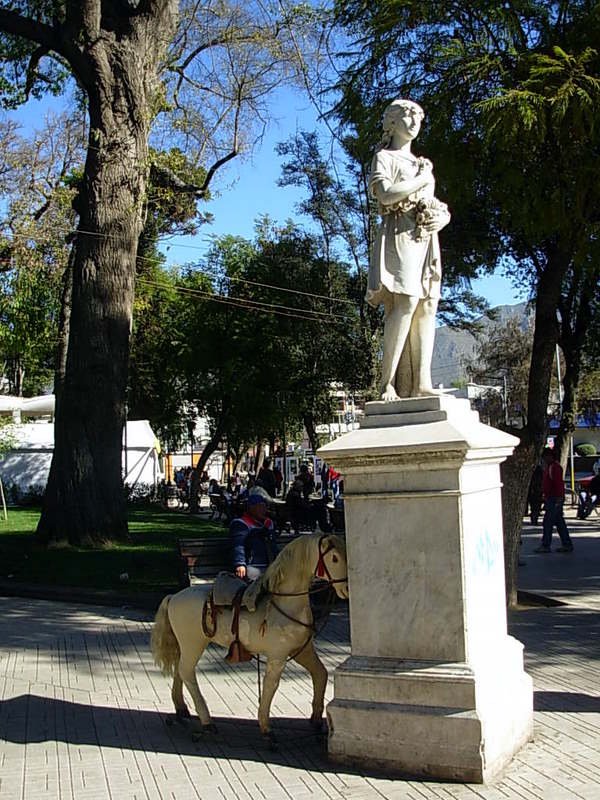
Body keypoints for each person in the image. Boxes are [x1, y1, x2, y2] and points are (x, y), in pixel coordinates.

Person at [367, 99, 451, 401]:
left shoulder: (421, 164)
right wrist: (421, 179)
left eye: (418, 117)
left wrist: (442, 216)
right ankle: (387, 383)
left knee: (428, 304)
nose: (414, 122)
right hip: (399, 235)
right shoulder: (385, 158)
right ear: (391, 122)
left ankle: (421, 383)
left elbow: (434, 204)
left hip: (426, 237)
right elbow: (386, 195)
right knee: (406, 302)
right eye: (407, 115)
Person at [229, 493, 279, 581]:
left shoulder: (268, 523)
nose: (263, 510)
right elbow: (238, 545)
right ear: (251, 508)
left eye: (264, 506)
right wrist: (240, 563)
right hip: (252, 565)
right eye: (259, 506)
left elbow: (273, 545)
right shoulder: (241, 523)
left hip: (270, 564)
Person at [535, 448, 574, 553]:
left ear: (550, 456)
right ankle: (567, 543)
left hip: (554, 498)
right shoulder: (550, 467)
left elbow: (558, 484)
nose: (544, 459)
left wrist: (559, 498)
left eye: (545, 457)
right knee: (559, 522)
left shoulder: (554, 467)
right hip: (551, 498)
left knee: (548, 522)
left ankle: (546, 544)